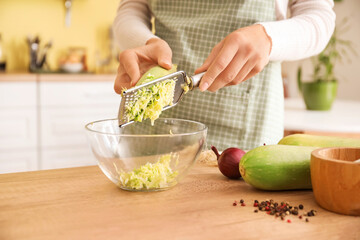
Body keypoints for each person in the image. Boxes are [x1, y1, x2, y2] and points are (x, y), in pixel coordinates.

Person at [112, 0, 335, 151]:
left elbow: (319, 18)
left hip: (246, 128)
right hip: (151, 123)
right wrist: (144, 43)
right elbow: (131, 8)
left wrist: (269, 38)